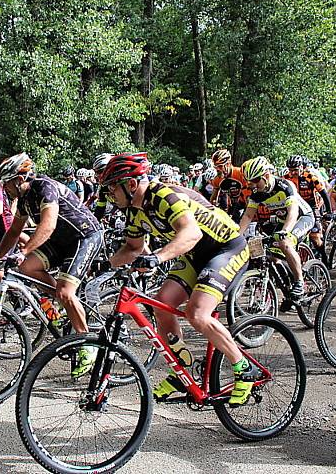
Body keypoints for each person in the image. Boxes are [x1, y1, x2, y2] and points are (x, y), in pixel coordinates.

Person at [102, 153, 258, 406]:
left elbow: (191, 232)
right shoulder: (133, 212)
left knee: (197, 314)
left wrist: (156, 257)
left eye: (111, 187)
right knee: (161, 303)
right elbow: (131, 248)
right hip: (196, 254)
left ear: (131, 184)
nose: (109, 194)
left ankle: (243, 367)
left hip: (226, 248)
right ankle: (182, 368)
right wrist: (102, 265)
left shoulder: (163, 195)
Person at [0, 153, 103, 378]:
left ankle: (87, 343)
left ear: (18, 179)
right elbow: (14, 231)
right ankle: (65, 305)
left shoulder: (45, 187)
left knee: (65, 290)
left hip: (84, 236)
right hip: (61, 241)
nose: (4, 189)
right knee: (28, 268)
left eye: (6, 183)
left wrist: (23, 252)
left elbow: (49, 224)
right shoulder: (23, 201)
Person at [238, 156, 315, 310]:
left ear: (266, 176)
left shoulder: (285, 185)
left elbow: (293, 211)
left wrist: (285, 231)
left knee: (284, 242)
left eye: (254, 180)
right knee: (271, 255)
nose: (251, 185)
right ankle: (288, 286)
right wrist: (238, 236)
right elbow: (247, 215)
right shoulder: (257, 192)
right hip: (281, 219)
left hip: (302, 217)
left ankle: (299, 281)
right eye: (249, 181)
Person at [284, 155, 332, 262]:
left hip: (311, 206)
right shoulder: (285, 178)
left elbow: (324, 194)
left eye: (295, 170)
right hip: (294, 206)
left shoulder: (311, 177)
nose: (293, 173)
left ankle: (323, 255)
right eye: (290, 170)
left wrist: (329, 211)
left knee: (315, 237)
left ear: (301, 167)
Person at [209, 149, 250, 219]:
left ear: (228, 163)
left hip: (246, 203)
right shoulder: (217, 179)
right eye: (216, 167)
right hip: (231, 206)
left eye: (220, 166)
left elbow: (249, 196)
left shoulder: (240, 173)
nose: (218, 170)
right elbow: (213, 198)